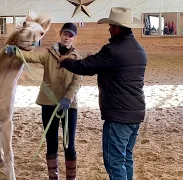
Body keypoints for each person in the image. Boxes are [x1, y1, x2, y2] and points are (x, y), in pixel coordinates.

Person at [59, 7, 147, 180]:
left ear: (117, 28)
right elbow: (113, 67)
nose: (109, 29)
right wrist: (98, 60)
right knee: (126, 158)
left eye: (111, 26)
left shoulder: (113, 49)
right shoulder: (140, 50)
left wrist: (66, 62)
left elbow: (86, 67)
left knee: (114, 162)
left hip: (119, 115)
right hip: (136, 112)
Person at [5, 22, 83, 180]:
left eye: (70, 35)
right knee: (51, 143)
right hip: (48, 104)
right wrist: (16, 52)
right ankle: (53, 177)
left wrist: (68, 99)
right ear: (60, 34)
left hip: (69, 106)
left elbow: (77, 82)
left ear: (74, 38)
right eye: (65, 34)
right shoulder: (48, 54)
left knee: (70, 145)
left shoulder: (77, 59)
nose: (67, 37)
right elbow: (32, 56)